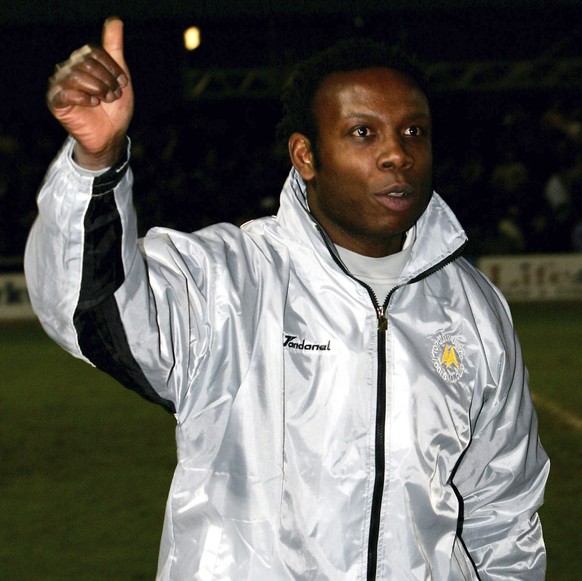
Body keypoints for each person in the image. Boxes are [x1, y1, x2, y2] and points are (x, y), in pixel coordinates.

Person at [25, 17, 549, 581]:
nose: (397, 154)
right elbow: (96, 313)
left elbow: (503, 509)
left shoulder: (473, 311)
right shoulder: (230, 279)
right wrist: (96, 167)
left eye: (413, 131)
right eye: (363, 133)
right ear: (306, 156)